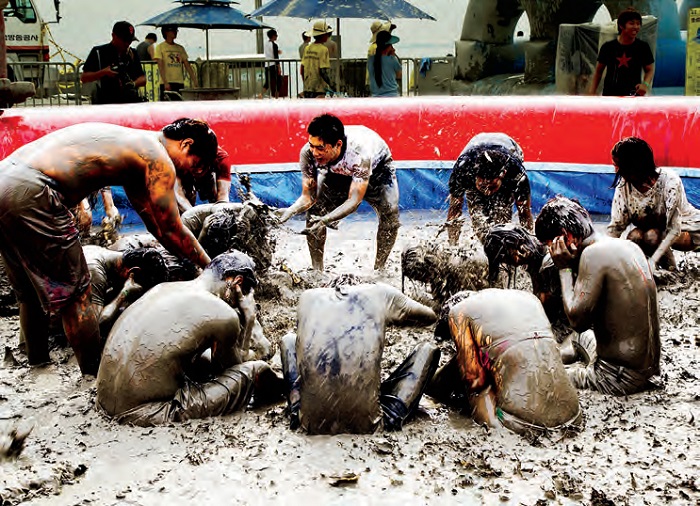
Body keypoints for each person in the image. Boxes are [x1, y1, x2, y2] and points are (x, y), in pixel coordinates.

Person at [0, 118, 217, 375]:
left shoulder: (137, 147)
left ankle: (37, 366)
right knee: (78, 297)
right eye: (197, 165)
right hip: (33, 191)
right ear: (186, 145)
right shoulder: (158, 159)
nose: (191, 173)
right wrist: (212, 267)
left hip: (6, 178)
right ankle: (93, 377)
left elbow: (157, 227)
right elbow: (171, 229)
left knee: (28, 292)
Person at [96, 251, 282, 426]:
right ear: (236, 283)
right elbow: (232, 369)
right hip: (147, 412)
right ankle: (286, 396)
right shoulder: (224, 314)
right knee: (256, 370)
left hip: (103, 402)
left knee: (202, 359)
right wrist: (249, 319)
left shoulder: (164, 288)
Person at [280, 278, 440, 434]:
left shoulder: (307, 297)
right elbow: (430, 317)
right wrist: (388, 319)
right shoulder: (380, 293)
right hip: (369, 424)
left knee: (288, 340)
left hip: (309, 423)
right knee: (429, 350)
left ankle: (296, 411)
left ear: (328, 288)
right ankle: (386, 416)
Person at [536, 196, 661, 396]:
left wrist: (564, 269)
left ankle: (548, 363)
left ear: (566, 236)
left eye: (550, 245)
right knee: (579, 338)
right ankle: (554, 357)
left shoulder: (592, 255)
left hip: (616, 377)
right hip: (648, 369)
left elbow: (577, 320)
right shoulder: (625, 245)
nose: (551, 252)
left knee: (540, 376)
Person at [428, 289, 581, 434]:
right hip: (573, 417)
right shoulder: (528, 298)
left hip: (520, 424)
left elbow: (475, 381)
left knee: (478, 388)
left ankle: (495, 428)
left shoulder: (459, 311)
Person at [277, 114, 400, 270]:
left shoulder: (360, 153)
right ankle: (317, 270)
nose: (314, 153)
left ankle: (379, 268)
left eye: (320, 148)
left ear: (338, 145)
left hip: (378, 170)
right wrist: (290, 211)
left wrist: (326, 219)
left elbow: (354, 201)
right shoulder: (307, 153)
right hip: (337, 172)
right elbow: (308, 197)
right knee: (315, 213)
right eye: (311, 145)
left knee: (391, 213)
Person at [607, 137, 700, 271]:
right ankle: (654, 272)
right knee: (634, 238)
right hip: (653, 233)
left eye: (618, 165)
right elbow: (616, 227)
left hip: (688, 229)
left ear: (632, 166)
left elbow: (673, 230)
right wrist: (602, 252)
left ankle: (671, 270)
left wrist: (653, 260)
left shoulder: (669, 182)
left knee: (651, 236)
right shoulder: (624, 188)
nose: (616, 171)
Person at [446, 132, 533, 245]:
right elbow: (454, 212)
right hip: (473, 150)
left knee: (502, 224)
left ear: (503, 175)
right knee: (480, 224)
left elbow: (525, 214)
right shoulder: (463, 171)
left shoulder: (516, 174)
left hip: (509, 147)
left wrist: (531, 244)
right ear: (475, 177)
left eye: (492, 187)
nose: (487, 192)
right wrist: (452, 247)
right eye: (483, 187)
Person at [83, 245, 168, 335]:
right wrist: (125, 292)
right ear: (133, 272)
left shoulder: (111, 257)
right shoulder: (95, 273)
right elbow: (96, 325)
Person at [588, 8, 655, 96]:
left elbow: (650, 70)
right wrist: (591, 93)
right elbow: (598, 72)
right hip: (610, 96)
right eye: (632, 23)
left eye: (638, 24)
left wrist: (645, 85)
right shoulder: (608, 47)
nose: (636, 27)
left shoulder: (643, 47)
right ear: (621, 26)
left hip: (633, 96)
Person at [80, 21, 146, 104]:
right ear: (114, 36)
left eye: (130, 40)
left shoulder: (132, 53)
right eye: (124, 40)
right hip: (106, 102)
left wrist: (132, 84)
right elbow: (84, 78)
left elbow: (142, 78)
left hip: (129, 102)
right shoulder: (99, 52)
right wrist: (103, 72)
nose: (127, 44)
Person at [175, 145, 231, 213]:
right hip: (184, 172)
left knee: (218, 203)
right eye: (196, 165)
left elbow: (223, 198)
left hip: (208, 174)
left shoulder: (221, 158)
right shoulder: (177, 157)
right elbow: (178, 195)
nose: (199, 171)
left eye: (201, 165)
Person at [153, 25, 198, 101]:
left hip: (179, 82)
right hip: (167, 82)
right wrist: (165, 82)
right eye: (173, 30)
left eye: (176, 30)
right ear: (166, 32)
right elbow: (160, 66)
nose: (175, 32)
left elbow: (187, 65)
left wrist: (194, 80)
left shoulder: (180, 48)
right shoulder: (160, 47)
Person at [300, 21, 333, 98]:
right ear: (323, 35)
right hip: (319, 89)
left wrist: (305, 83)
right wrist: (331, 85)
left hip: (307, 87)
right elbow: (323, 71)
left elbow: (302, 69)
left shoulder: (307, 48)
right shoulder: (323, 49)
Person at [368, 31, 402, 97]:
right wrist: (393, 55)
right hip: (392, 95)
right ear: (388, 46)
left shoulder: (371, 60)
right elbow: (399, 75)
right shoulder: (392, 59)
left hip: (375, 96)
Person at [262, 29, 282, 99]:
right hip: (273, 65)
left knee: (267, 82)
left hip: (267, 65)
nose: (277, 36)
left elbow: (270, 52)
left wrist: (277, 51)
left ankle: (260, 95)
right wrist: (279, 68)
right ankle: (277, 96)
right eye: (276, 35)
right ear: (273, 36)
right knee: (278, 81)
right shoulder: (274, 45)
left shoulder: (266, 44)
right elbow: (276, 58)